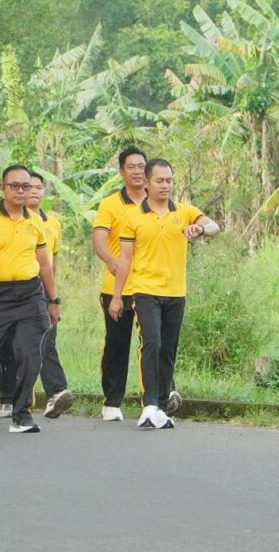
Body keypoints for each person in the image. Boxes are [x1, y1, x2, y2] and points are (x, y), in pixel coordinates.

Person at [109, 159, 219, 429]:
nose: (165, 185)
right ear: (147, 182)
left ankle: (160, 406)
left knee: (168, 349)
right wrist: (117, 296)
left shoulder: (184, 211)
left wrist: (200, 228)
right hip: (145, 290)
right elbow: (125, 259)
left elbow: (214, 226)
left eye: (169, 180)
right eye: (159, 180)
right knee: (152, 342)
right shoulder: (132, 217)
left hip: (176, 292)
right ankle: (148, 405)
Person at [0, 165, 60, 433]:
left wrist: (53, 300)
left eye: (25, 186)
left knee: (30, 353)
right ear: (3, 187)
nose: (21, 191)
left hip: (30, 295)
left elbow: (45, 265)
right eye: (15, 186)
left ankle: (22, 414)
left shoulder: (35, 221)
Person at [92, 146, 175, 422]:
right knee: (117, 344)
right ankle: (112, 401)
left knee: (153, 341)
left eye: (141, 166)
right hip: (117, 286)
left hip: (150, 287)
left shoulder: (160, 204)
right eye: (131, 166)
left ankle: (157, 399)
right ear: (121, 171)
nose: (137, 171)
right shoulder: (111, 204)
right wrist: (112, 262)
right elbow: (99, 240)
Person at [24, 171, 73, 418]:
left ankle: (57, 392)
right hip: (16, 287)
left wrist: (53, 296)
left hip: (43, 289)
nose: (34, 191)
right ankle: (14, 398)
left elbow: (53, 262)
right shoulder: (13, 220)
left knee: (46, 338)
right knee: (18, 346)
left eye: (38, 187)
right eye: (29, 186)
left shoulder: (52, 223)